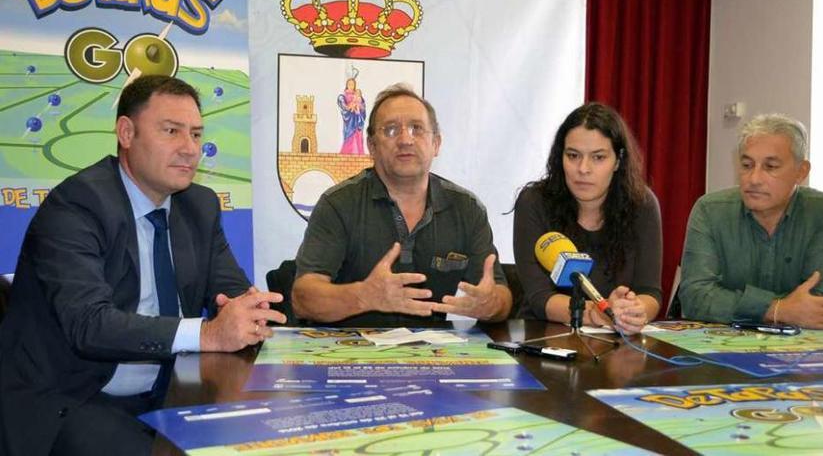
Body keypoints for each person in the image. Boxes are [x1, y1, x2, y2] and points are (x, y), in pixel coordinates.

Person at [0, 75, 287, 456]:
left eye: (197, 135)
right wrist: (208, 335)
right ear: (126, 133)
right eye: (172, 131)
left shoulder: (199, 206)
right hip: (74, 396)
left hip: (169, 389)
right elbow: (89, 325)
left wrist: (250, 309)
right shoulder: (76, 205)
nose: (190, 149)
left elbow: (229, 292)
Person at [292, 83, 512, 326]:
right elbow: (304, 298)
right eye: (391, 130)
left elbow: (500, 294)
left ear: (436, 144)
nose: (405, 139)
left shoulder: (466, 208)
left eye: (417, 128)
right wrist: (364, 296)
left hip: (436, 355)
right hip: (352, 355)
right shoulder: (338, 204)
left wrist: (491, 304)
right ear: (372, 147)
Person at [678, 113, 823, 329]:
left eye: (770, 167)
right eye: (747, 165)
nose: (754, 179)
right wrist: (779, 310)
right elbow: (695, 298)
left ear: (801, 172)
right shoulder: (710, 211)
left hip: (801, 352)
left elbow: (822, 307)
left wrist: (732, 304)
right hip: (721, 351)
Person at [513, 103, 662, 335]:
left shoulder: (642, 205)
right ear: (559, 156)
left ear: (618, 161)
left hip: (617, 343)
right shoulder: (534, 202)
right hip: (543, 338)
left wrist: (633, 311)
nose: (583, 169)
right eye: (573, 156)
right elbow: (539, 298)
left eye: (598, 157)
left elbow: (650, 292)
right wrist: (596, 312)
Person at [338, 77, 367, 155]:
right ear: (347, 85)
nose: (351, 85)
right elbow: (344, 106)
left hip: (357, 120)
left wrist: (358, 106)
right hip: (349, 121)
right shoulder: (343, 96)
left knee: (358, 136)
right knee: (349, 137)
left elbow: (363, 108)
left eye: (352, 84)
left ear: (355, 85)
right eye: (349, 84)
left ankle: (358, 153)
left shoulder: (358, 95)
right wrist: (350, 106)